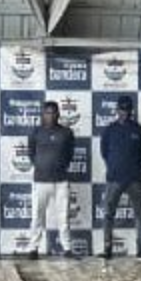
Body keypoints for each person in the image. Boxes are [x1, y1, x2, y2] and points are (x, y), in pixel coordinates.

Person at [25, 99, 81, 257]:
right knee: (37, 216)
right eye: (47, 113)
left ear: (58, 114)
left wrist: (59, 166)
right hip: (40, 181)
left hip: (61, 181)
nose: (50, 116)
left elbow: (70, 154)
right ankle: (33, 248)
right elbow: (31, 153)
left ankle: (67, 248)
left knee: (63, 216)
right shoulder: (35, 132)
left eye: (53, 112)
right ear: (42, 114)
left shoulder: (66, 133)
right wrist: (41, 165)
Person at [93, 96, 141, 257]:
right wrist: (114, 166)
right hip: (114, 178)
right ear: (117, 110)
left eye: (127, 109)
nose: (124, 112)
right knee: (108, 214)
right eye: (122, 109)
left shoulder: (139, 130)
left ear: (131, 111)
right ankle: (107, 248)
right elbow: (104, 152)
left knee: (139, 214)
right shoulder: (109, 130)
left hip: (134, 178)